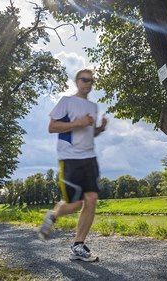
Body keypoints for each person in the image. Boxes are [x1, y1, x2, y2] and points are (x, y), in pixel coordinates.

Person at [38, 68, 107, 262]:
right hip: (69, 157)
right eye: (84, 80)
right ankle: (52, 215)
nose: (88, 83)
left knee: (92, 198)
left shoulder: (93, 106)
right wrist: (79, 123)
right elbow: (52, 127)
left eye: (91, 81)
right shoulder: (66, 102)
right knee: (74, 204)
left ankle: (78, 245)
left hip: (89, 157)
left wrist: (100, 129)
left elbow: (89, 132)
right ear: (77, 81)